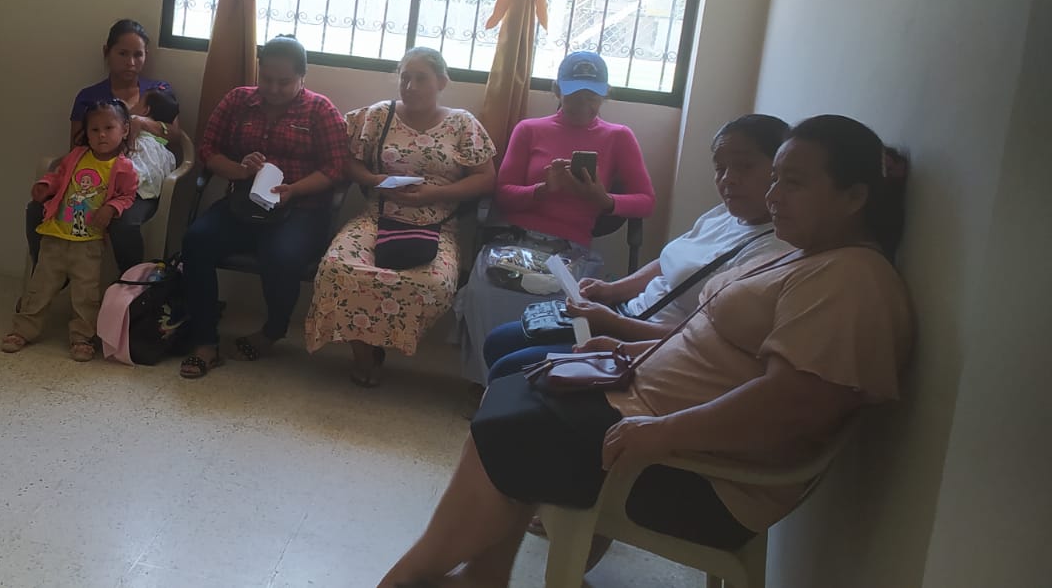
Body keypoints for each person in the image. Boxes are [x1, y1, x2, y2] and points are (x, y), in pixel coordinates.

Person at [378, 115, 913, 587]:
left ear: (854, 197)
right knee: (513, 398)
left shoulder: (852, 280)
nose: (774, 196)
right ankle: (483, 575)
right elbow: (710, 338)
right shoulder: (806, 257)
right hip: (646, 406)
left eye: (792, 183)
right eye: (774, 179)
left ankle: (416, 575)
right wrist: (627, 345)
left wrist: (663, 433)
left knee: (509, 429)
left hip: (697, 472)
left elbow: (796, 404)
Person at [483, 114, 794, 380]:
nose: (728, 179)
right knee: (499, 341)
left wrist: (614, 324)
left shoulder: (771, 253)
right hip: (625, 312)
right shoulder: (724, 214)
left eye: (744, 167)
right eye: (720, 168)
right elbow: (667, 264)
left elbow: (704, 339)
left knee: (510, 367)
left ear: (779, 169)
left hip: (649, 343)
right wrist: (612, 291)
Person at [454, 50, 655, 384]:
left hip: (571, 250)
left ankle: (532, 380)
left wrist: (603, 200)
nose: (583, 104)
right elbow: (503, 193)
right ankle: (485, 381)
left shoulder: (619, 136)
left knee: (560, 304)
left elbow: (646, 201)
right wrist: (542, 191)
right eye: (574, 94)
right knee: (484, 289)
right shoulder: (529, 130)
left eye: (592, 96)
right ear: (557, 90)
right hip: (517, 240)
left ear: (605, 95)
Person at [304, 48, 497, 388]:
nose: (410, 86)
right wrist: (373, 179)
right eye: (405, 78)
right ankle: (364, 355)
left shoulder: (462, 123)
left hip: (436, 225)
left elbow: (486, 178)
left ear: (442, 82)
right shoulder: (380, 115)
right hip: (378, 217)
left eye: (420, 78)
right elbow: (349, 160)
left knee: (432, 284)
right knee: (337, 269)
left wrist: (434, 194)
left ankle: (381, 342)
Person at [178, 36, 348, 379]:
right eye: (266, 79)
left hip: (301, 209)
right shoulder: (238, 101)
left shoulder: (320, 110)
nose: (273, 89)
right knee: (196, 241)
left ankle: (272, 331)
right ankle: (205, 340)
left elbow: (336, 168)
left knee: (281, 255)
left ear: (302, 77)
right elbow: (209, 150)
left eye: (284, 82)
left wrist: (294, 190)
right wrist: (240, 170)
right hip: (244, 203)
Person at [25, 20, 177, 271]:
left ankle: (129, 285)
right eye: (123, 54)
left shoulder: (158, 91)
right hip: (93, 177)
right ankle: (45, 275)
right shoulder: (90, 97)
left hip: (136, 184)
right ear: (107, 52)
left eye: (138, 55)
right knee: (36, 209)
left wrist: (140, 122)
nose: (131, 62)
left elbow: (174, 135)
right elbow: (77, 145)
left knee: (123, 222)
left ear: (146, 55)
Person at [2, 100, 139, 361]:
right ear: (86, 132)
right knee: (39, 288)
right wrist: (46, 185)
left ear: (124, 130)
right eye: (94, 129)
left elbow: (127, 196)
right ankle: (23, 330)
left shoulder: (124, 168)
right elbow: (58, 176)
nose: (101, 135)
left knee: (86, 295)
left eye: (108, 128)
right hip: (55, 235)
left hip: (88, 242)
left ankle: (82, 337)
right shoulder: (77, 156)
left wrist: (111, 208)